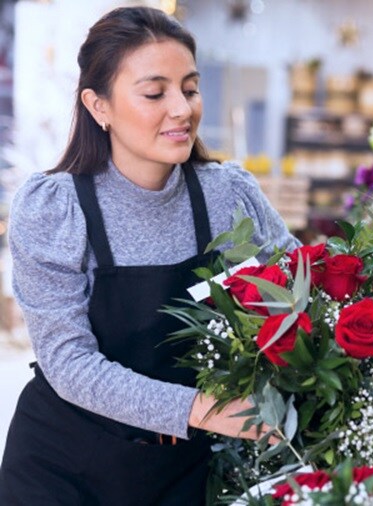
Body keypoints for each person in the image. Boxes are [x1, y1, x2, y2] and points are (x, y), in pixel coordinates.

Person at [0, 7, 298, 504]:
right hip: (62, 467)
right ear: (99, 106)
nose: (181, 109)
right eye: (155, 93)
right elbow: (68, 362)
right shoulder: (55, 209)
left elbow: (303, 293)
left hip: (182, 468)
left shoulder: (229, 197)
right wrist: (201, 409)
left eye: (190, 88)